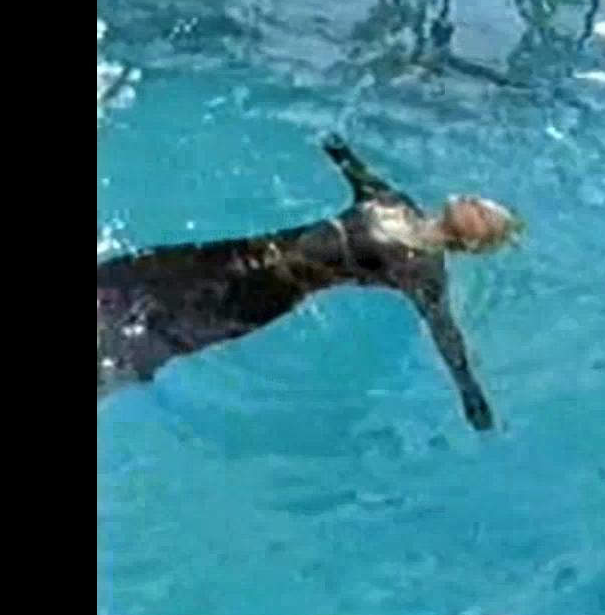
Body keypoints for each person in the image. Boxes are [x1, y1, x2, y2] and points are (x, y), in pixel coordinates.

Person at [96, 134, 522, 431]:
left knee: (154, 338)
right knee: (131, 277)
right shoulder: (396, 203)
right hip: (245, 253)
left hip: (264, 295)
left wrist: (471, 395)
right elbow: (355, 169)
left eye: (484, 214)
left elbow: (446, 334)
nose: (476, 201)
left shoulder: (422, 270)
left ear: (471, 241)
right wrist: (332, 142)